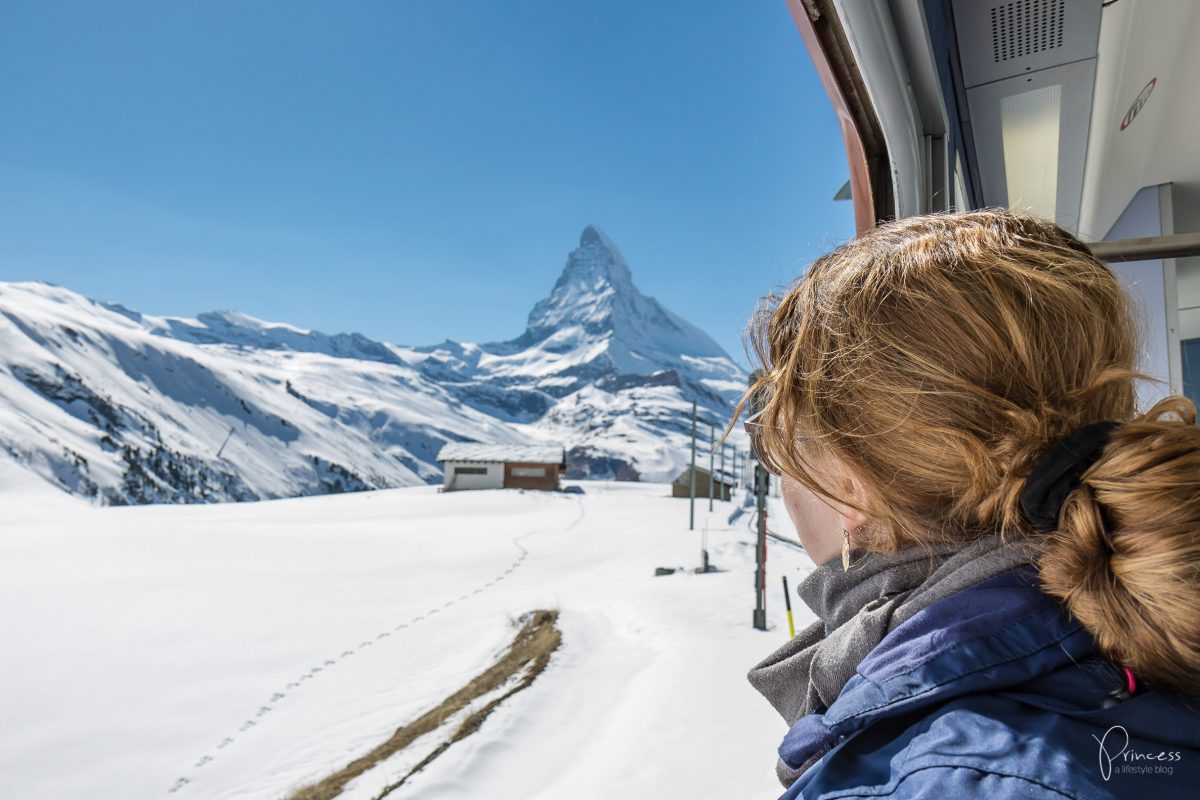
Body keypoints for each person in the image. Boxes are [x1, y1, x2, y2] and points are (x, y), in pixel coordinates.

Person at [739, 210, 1200, 799]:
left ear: (850, 484)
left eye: (777, 444)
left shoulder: (932, 777)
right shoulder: (1146, 628)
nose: (779, 474)